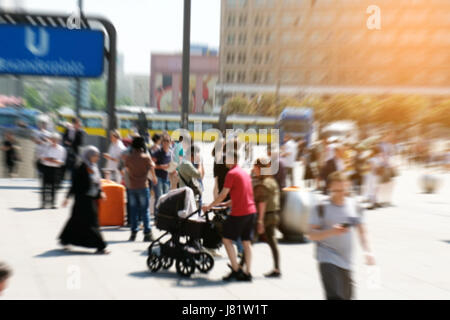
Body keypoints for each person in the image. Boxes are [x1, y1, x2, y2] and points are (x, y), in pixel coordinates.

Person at [307, 171, 376, 300]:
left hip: (347, 262)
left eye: (343, 190)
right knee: (335, 297)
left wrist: (368, 251)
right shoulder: (321, 207)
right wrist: (331, 231)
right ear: (329, 188)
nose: (340, 194)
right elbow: (310, 235)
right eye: (336, 191)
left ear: (348, 186)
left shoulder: (354, 206)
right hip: (326, 257)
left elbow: (362, 231)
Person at [202, 151, 256, 282]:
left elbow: (222, 194)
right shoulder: (244, 173)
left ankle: (236, 270)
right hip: (251, 212)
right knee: (246, 243)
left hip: (239, 213)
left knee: (226, 240)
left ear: (232, 160)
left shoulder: (231, 174)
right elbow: (243, 194)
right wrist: (226, 204)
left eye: (226, 159)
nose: (225, 161)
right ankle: (247, 273)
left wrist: (209, 206)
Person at [60, 146, 109, 254]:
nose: (97, 157)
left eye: (97, 155)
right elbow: (75, 185)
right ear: (88, 156)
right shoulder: (81, 167)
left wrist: (101, 192)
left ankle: (65, 239)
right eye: (95, 155)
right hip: (82, 198)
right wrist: (67, 197)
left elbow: (97, 182)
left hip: (90, 198)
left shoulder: (93, 167)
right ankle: (100, 246)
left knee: (76, 220)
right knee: (92, 222)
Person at [252, 157, 282, 278]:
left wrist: (260, 221)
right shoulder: (272, 181)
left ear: (260, 168)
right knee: (272, 241)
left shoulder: (263, 184)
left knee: (249, 240)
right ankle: (277, 268)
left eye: (255, 168)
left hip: (265, 216)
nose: (254, 170)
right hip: (274, 214)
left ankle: (242, 266)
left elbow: (262, 203)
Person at [125, 136, 157, 242]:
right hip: (143, 186)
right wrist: (154, 178)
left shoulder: (129, 158)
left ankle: (133, 233)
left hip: (132, 187)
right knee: (145, 210)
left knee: (133, 210)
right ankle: (147, 233)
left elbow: (127, 169)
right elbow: (152, 167)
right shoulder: (146, 157)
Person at [40, 133, 66, 209]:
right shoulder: (46, 147)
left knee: (54, 187)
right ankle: (43, 203)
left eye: (56, 140)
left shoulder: (61, 149)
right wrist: (51, 159)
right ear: (50, 140)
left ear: (58, 141)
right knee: (45, 186)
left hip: (56, 169)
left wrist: (53, 160)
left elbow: (62, 161)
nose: (54, 141)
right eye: (53, 140)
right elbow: (42, 157)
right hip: (47, 168)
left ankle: (53, 203)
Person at [152, 135, 172, 211]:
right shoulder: (158, 152)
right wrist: (161, 166)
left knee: (165, 197)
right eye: (165, 141)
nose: (166, 143)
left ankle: (162, 216)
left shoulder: (170, 152)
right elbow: (151, 165)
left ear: (170, 142)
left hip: (167, 177)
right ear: (162, 142)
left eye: (168, 141)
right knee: (159, 197)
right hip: (158, 177)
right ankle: (157, 216)